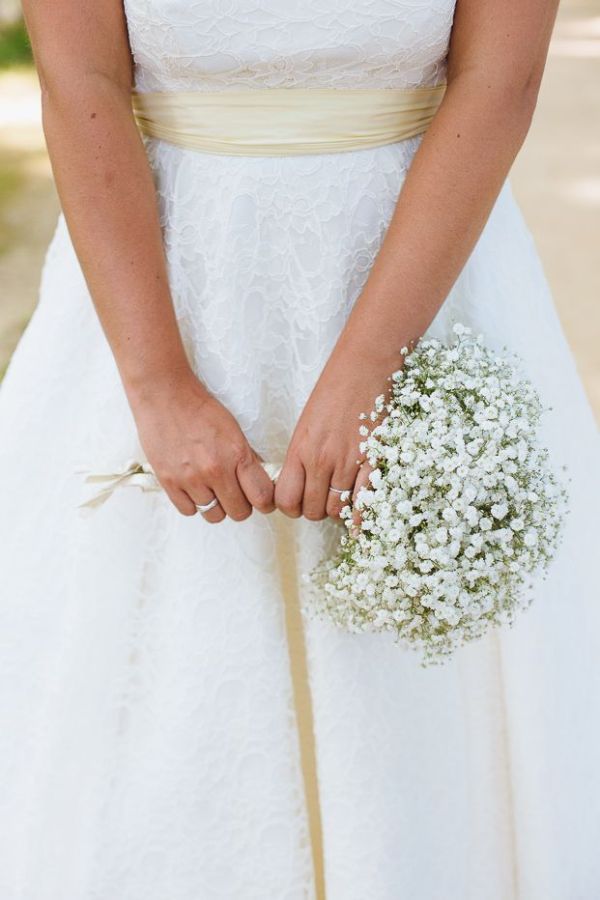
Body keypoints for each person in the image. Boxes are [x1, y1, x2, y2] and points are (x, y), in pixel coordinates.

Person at [1, 0, 599, 897]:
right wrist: (158, 382)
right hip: (161, 291)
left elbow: (499, 82)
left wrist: (369, 365)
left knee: (419, 698)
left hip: (421, 280)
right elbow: (78, 77)